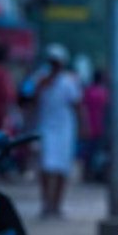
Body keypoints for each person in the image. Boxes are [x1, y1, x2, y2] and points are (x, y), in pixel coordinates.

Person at [35, 44, 81, 217]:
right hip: (46, 128)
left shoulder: (68, 82)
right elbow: (29, 99)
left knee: (62, 168)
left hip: (64, 130)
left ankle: (56, 205)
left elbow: (77, 105)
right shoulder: (40, 80)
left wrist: (84, 126)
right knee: (46, 167)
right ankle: (46, 204)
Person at [81, 67, 110, 181]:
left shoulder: (89, 90)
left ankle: (87, 175)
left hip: (89, 125)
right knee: (97, 153)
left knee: (88, 153)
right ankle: (95, 175)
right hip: (99, 127)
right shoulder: (103, 92)